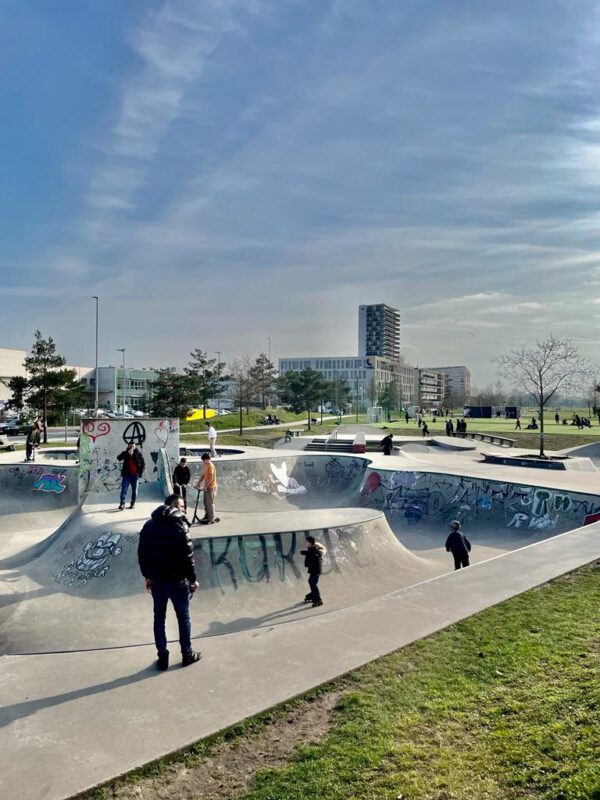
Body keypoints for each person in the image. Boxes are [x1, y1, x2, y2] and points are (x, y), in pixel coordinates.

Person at [138, 494, 200, 670]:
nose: (183, 510)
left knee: (159, 619)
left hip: (158, 581)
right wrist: (193, 580)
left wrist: (148, 576)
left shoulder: (149, 526)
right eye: (180, 506)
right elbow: (189, 557)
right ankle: (187, 655)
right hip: (177, 582)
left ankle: (163, 658)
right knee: (183, 618)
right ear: (172, 506)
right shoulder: (180, 526)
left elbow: (142, 555)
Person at [117, 442, 145, 510]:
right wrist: (127, 454)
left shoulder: (138, 454)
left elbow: (142, 464)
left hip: (135, 476)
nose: (131, 448)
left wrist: (139, 473)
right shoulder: (125, 453)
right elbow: (119, 458)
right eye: (130, 446)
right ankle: (122, 504)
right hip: (126, 475)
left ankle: (133, 503)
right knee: (124, 490)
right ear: (128, 446)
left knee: (134, 491)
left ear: (135, 447)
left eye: (133, 446)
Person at [301, 535, 326, 607]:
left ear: (309, 543)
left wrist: (303, 552)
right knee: (311, 582)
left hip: (316, 570)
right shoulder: (311, 548)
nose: (305, 543)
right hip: (314, 570)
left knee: (312, 582)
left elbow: (313, 553)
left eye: (306, 542)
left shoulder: (313, 549)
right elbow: (310, 553)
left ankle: (318, 600)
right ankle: (313, 594)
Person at [197, 452, 218, 524]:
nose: (203, 462)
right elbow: (203, 475)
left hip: (211, 487)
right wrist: (198, 483)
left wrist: (205, 487)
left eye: (204, 460)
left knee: (210, 503)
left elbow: (210, 478)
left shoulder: (210, 466)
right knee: (205, 502)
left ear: (208, 459)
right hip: (207, 487)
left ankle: (211, 518)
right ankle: (207, 516)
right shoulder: (206, 465)